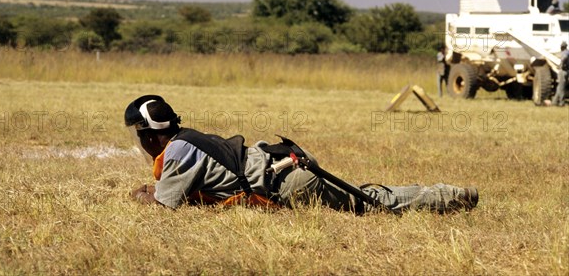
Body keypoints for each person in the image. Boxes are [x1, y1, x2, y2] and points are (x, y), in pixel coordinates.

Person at [125, 95, 479, 214]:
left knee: (372, 204)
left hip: (291, 182)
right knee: (369, 199)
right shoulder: (187, 140)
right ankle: (446, 195)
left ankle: (452, 196)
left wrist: (139, 195)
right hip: (285, 168)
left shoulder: (177, 154)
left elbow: (162, 207)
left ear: (149, 135)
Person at [551, 41, 569, 106]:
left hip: (563, 71)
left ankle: (561, 103)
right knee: (560, 87)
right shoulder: (566, 52)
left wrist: (561, 64)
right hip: (566, 71)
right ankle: (554, 102)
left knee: (561, 87)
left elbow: (564, 58)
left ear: (562, 47)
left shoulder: (565, 52)